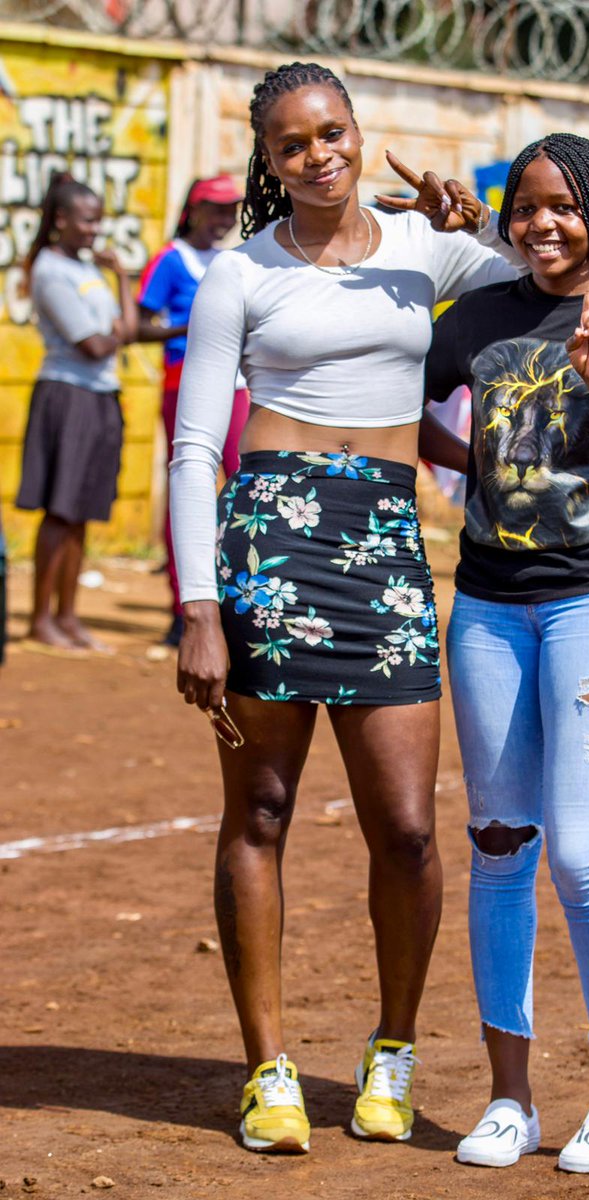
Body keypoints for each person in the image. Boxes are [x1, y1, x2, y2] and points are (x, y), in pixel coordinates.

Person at [169, 61, 526, 1155]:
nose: (318, 155)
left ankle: (393, 1050)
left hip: (384, 540)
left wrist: (479, 213)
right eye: (292, 144)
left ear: (361, 131)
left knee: (408, 829)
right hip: (270, 538)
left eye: (332, 133)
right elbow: (193, 449)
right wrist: (197, 606)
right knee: (262, 813)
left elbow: (553, 263)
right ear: (267, 163)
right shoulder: (241, 273)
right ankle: (266, 1068)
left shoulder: (428, 248)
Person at [423, 133, 589, 1174]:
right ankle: (507, 1097)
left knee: (580, 853)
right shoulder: (476, 319)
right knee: (498, 846)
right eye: (526, 205)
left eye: (565, 206)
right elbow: (397, 403)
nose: (543, 223)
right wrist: (474, 461)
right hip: (487, 608)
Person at [16, 173, 137, 651]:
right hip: (68, 396)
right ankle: (40, 619)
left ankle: (68, 617)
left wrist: (123, 304)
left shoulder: (86, 269)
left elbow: (120, 332)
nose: (93, 231)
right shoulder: (50, 270)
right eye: (86, 221)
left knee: (83, 510)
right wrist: (124, 302)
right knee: (60, 510)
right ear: (61, 219)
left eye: (98, 222)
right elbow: (95, 344)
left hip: (100, 395)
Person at [137, 175, 250, 647]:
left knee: (246, 485)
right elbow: (142, 325)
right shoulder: (170, 258)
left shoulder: (236, 259)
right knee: (191, 481)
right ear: (193, 210)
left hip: (240, 385)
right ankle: (181, 607)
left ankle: (247, 599)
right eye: (216, 210)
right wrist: (202, 322)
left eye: (231, 210)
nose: (224, 219)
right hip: (184, 382)